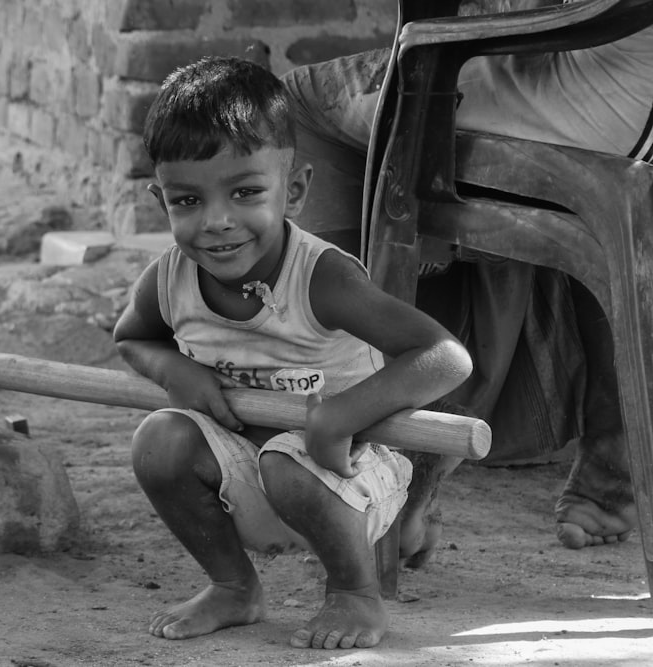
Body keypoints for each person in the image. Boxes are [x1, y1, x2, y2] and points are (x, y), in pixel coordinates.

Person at [113, 56, 473, 650]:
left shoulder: (321, 279)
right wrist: (174, 368)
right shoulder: (168, 279)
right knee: (159, 440)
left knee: (289, 458)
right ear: (162, 200)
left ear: (295, 189)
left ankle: (356, 591)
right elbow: (132, 337)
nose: (217, 223)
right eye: (187, 201)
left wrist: (341, 414)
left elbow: (444, 356)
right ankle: (233, 587)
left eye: (246, 192)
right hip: (246, 473)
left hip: (346, 471)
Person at [281, 2, 650, 564]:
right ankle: (613, 465)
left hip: (611, 84)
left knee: (296, 106)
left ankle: (393, 476)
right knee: (432, 119)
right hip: (631, 79)